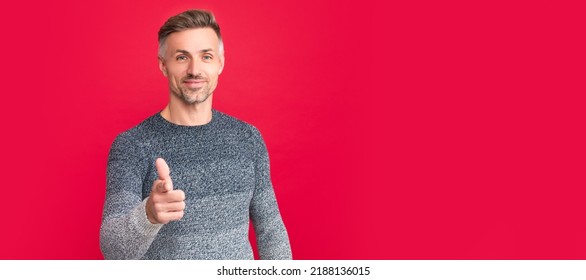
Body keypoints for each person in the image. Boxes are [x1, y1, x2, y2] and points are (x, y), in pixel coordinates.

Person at [99, 9, 292, 260]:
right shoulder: (132, 145)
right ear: (163, 65)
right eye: (181, 57)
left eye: (206, 57)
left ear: (220, 63)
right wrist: (148, 215)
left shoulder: (248, 139)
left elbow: (271, 231)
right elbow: (112, 250)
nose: (194, 70)